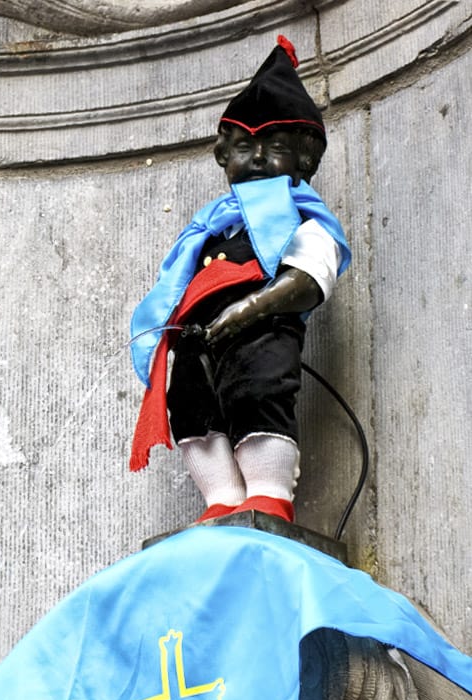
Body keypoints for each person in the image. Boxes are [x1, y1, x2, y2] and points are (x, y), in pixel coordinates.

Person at [129, 36, 351, 523]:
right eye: (244, 148)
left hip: (261, 331)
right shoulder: (209, 227)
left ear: (305, 161)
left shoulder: (303, 222)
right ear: (222, 155)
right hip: (195, 337)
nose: (255, 160)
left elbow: (309, 279)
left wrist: (245, 311)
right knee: (192, 407)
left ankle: (268, 489)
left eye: (273, 149)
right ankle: (222, 496)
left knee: (258, 394)